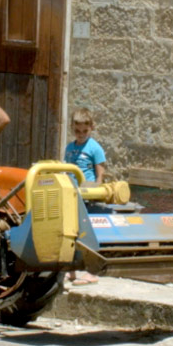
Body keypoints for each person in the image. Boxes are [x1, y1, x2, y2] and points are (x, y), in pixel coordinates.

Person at [64, 107, 107, 285]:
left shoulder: (94, 148)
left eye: (84, 131)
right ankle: (72, 270)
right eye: (77, 131)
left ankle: (92, 272)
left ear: (91, 128)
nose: (80, 134)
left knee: (86, 233)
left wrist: (97, 190)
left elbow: (100, 172)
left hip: (87, 193)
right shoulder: (70, 147)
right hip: (72, 193)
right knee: (70, 232)